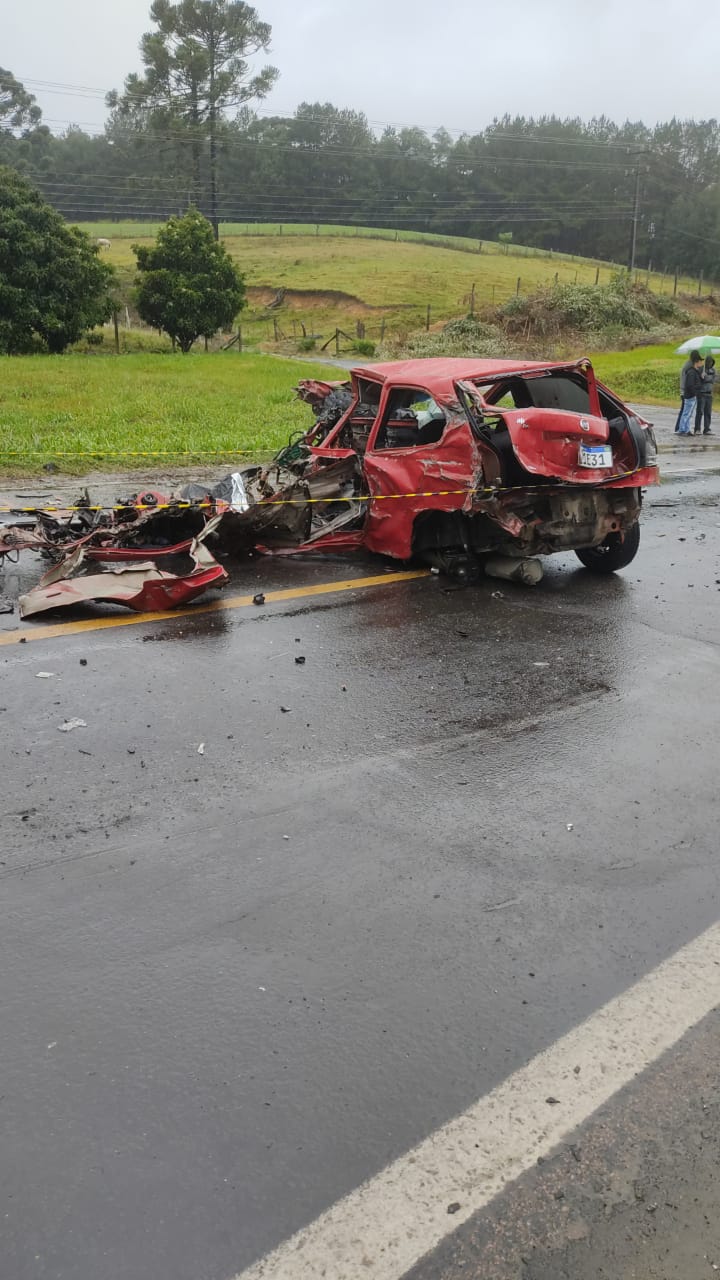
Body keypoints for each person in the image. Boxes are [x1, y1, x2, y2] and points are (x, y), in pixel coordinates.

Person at [678, 354, 705, 436]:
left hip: (692, 396)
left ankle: (687, 429)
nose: (701, 363)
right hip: (690, 396)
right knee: (686, 413)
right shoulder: (691, 372)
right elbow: (690, 385)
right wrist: (695, 393)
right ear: (696, 362)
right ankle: (682, 430)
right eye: (700, 361)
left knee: (689, 414)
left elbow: (697, 383)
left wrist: (701, 378)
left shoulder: (695, 372)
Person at [675, 349, 700, 432]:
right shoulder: (690, 367)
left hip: (685, 390)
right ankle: (680, 428)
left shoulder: (688, 365)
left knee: (684, 411)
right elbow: (689, 382)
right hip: (686, 391)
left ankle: (681, 428)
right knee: (685, 411)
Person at [695, 355, 715, 435]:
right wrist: (704, 377)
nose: (710, 363)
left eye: (711, 362)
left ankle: (707, 429)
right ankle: (697, 429)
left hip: (709, 393)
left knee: (708, 412)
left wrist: (706, 378)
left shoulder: (713, 370)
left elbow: (714, 379)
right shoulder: (701, 369)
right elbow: (700, 380)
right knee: (700, 412)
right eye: (708, 362)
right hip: (701, 393)